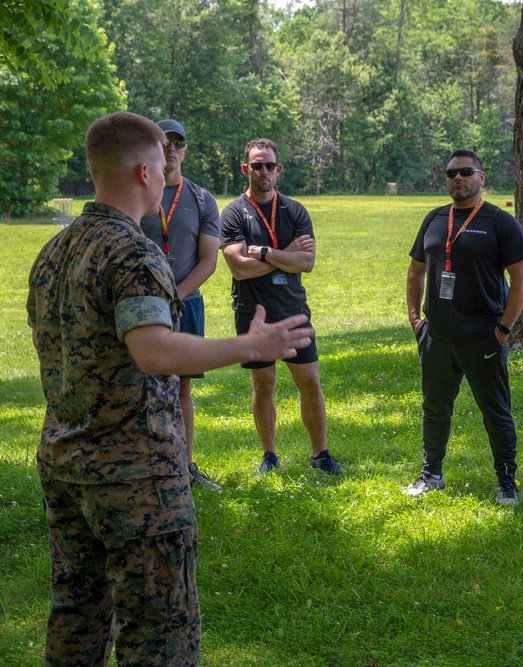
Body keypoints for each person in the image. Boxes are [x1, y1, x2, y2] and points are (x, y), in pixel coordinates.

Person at [26, 111, 315, 666]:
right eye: (162, 164)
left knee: (78, 611)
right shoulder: (134, 252)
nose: (167, 174)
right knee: (160, 628)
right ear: (144, 173)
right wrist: (247, 347)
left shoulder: (54, 252)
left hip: (64, 462)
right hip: (135, 473)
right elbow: (153, 349)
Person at [405, 150, 523, 505]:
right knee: (435, 407)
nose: (457, 179)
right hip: (437, 335)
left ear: (481, 177)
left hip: (483, 336)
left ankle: (506, 481)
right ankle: (432, 473)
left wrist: (503, 330)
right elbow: (415, 270)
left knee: (496, 410)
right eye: (451, 173)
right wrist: (416, 319)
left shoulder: (499, 221)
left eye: (465, 172)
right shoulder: (434, 219)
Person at [220, 138, 344, 476]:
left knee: (311, 382)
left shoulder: (294, 210)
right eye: (256, 165)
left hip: (292, 309)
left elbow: (307, 262)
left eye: (269, 165)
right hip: (253, 311)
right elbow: (238, 268)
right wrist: (283, 255)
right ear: (246, 169)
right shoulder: (233, 213)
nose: (264, 171)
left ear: (279, 169)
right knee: (264, 384)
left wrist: (261, 252)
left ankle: (320, 454)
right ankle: (269, 456)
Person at [140, 119, 222, 492]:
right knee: (143, 386)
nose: (171, 148)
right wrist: (156, 298)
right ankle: (146, 466)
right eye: (164, 141)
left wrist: (177, 296)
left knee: (183, 388)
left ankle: (186, 467)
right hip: (143, 304)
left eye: (178, 142)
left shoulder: (203, 199)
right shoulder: (140, 192)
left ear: (185, 149)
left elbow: (208, 260)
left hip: (186, 304)